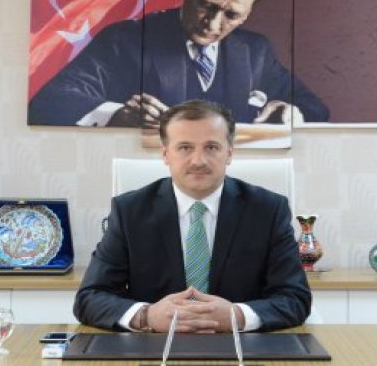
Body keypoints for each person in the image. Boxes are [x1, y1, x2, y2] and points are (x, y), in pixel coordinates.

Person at [74, 100, 311, 332]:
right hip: (153, 345)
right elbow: (90, 298)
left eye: (211, 147)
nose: (198, 161)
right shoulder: (129, 211)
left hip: (243, 346)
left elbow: (295, 298)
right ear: (165, 154)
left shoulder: (268, 210)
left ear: (229, 153)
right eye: (185, 147)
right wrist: (147, 316)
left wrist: (237, 316)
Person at [29, 0, 329, 128]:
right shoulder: (125, 39)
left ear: (247, 15)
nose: (213, 23)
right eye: (207, 4)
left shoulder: (255, 50)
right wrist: (118, 115)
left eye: (231, 15)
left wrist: (292, 113)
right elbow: (49, 101)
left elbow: (316, 109)